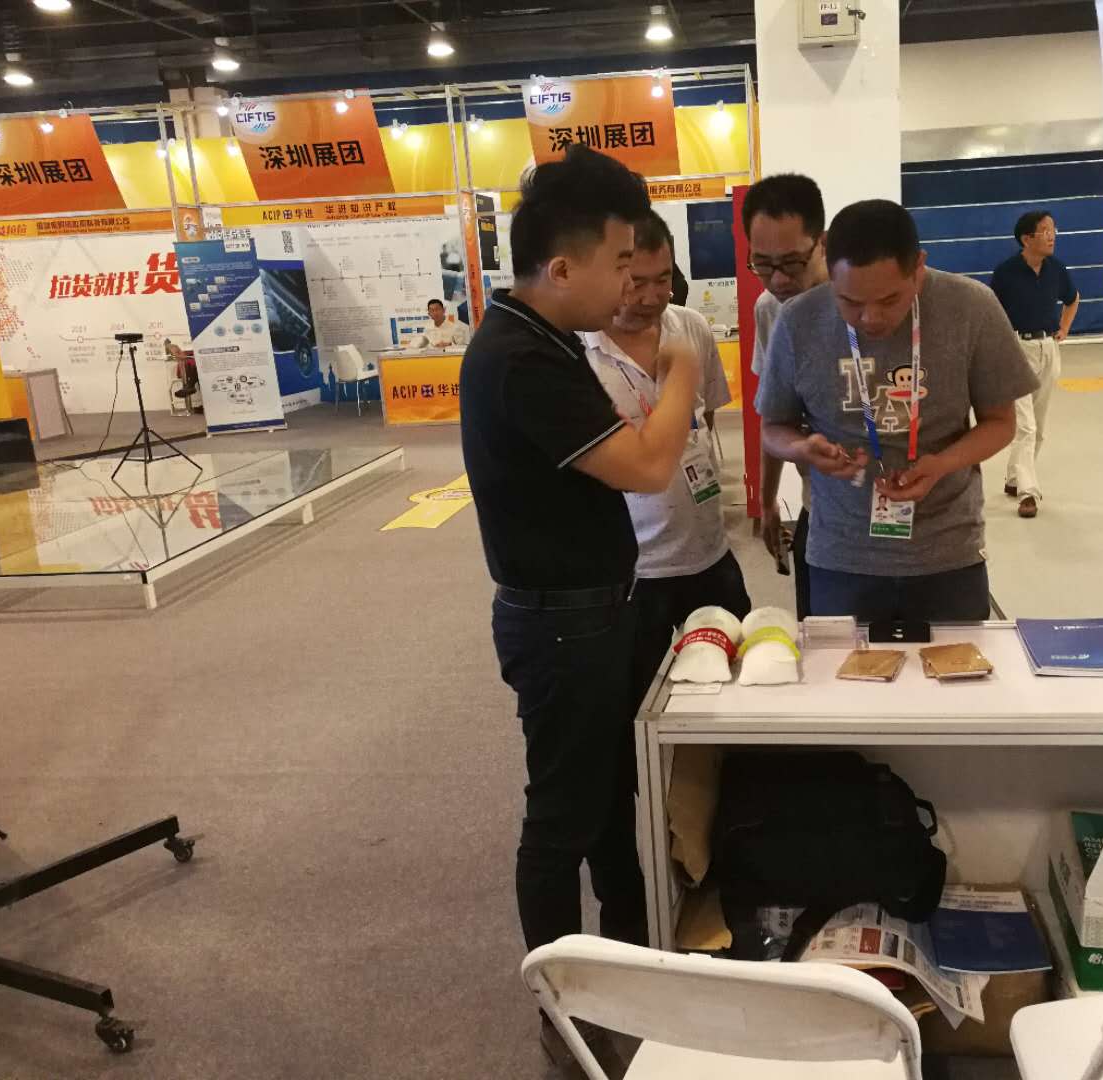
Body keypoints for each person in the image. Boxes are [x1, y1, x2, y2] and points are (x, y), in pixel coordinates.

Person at [458, 146, 702, 1069]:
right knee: (562, 819)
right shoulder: (523, 357)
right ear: (562, 268)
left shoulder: (544, 338)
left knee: (608, 806)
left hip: (593, 609)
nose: (631, 285)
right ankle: (561, 1011)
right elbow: (646, 464)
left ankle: (626, 964)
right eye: (618, 264)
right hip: (563, 624)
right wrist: (682, 372)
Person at [756, 199, 1038, 624]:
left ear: (918, 268)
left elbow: (1000, 423)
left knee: (956, 664)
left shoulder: (972, 308)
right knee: (846, 667)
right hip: (841, 554)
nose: (870, 318)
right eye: (850, 301)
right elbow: (773, 428)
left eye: (889, 300)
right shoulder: (798, 320)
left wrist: (942, 464)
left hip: (947, 551)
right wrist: (801, 448)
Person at [581, 210, 751, 711]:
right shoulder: (578, 351)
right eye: (636, 283)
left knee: (733, 691)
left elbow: (706, 420)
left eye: (663, 279)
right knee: (637, 706)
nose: (652, 296)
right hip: (634, 571)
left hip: (710, 555)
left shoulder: (690, 327)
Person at [742, 172, 829, 617]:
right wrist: (768, 500)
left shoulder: (862, 299)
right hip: (820, 501)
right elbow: (775, 413)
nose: (777, 280)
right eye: (762, 264)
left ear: (822, 244)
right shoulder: (769, 308)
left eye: (792, 264)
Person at [988, 210, 1079, 519]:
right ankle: (1029, 492)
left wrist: (1064, 329)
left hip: (1048, 348)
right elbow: (991, 312)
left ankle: (1015, 478)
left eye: (1053, 230)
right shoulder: (1006, 272)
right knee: (1025, 426)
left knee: (1038, 427)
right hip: (1017, 349)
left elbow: (1073, 298)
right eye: (1045, 231)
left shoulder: (1057, 269)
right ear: (1027, 239)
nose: (1052, 236)